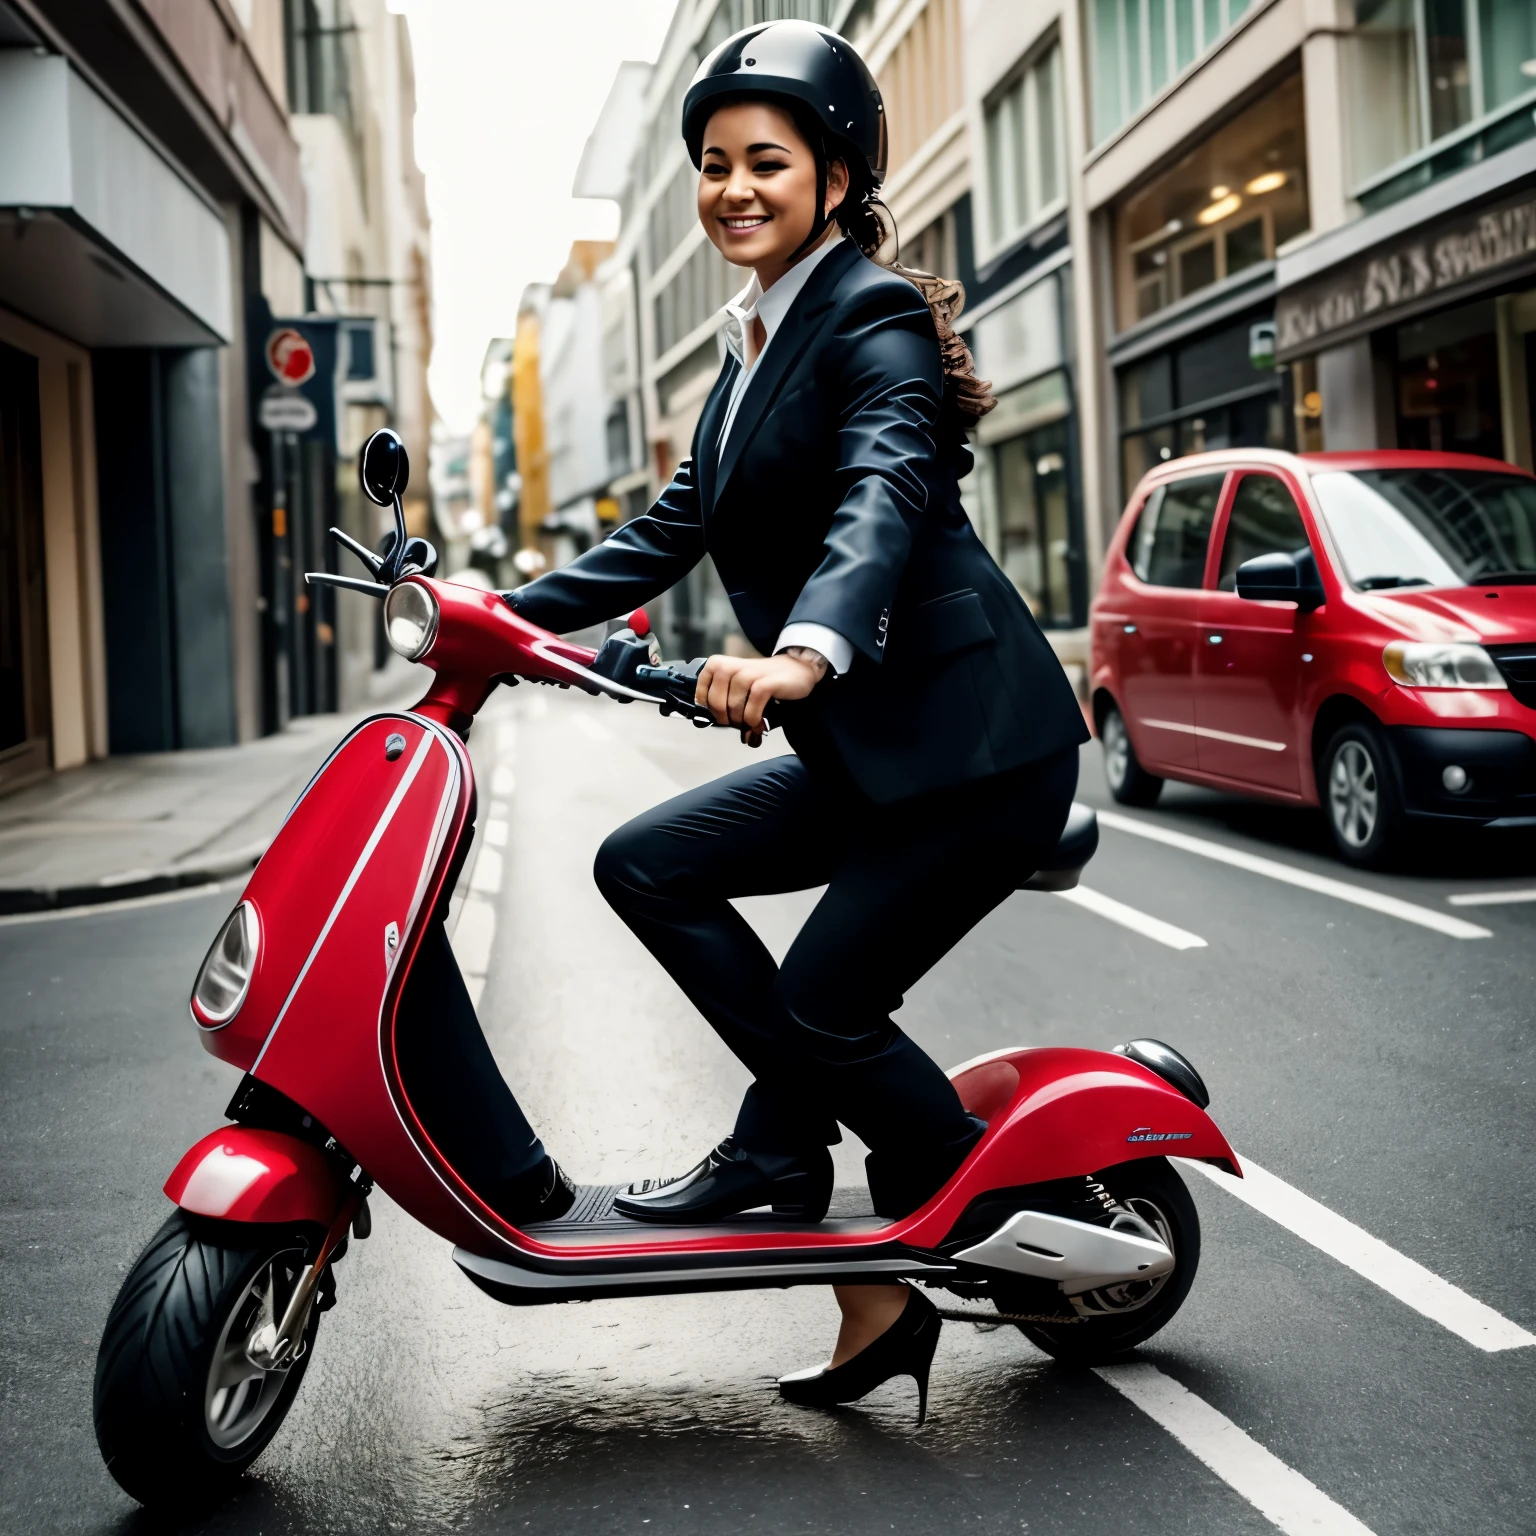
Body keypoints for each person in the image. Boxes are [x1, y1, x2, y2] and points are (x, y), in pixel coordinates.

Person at [502, 20, 1088, 1416]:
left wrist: (808, 649)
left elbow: (881, 494)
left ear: (835, 174)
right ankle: (779, 1162)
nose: (731, 188)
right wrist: (503, 615)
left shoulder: (867, 315)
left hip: (973, 753)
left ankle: (943, 1204)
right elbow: (673, 524)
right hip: (870, 757)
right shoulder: (749, 346)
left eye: (765, 160)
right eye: (713, 165)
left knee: (826, 1006)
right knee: (646, 863)